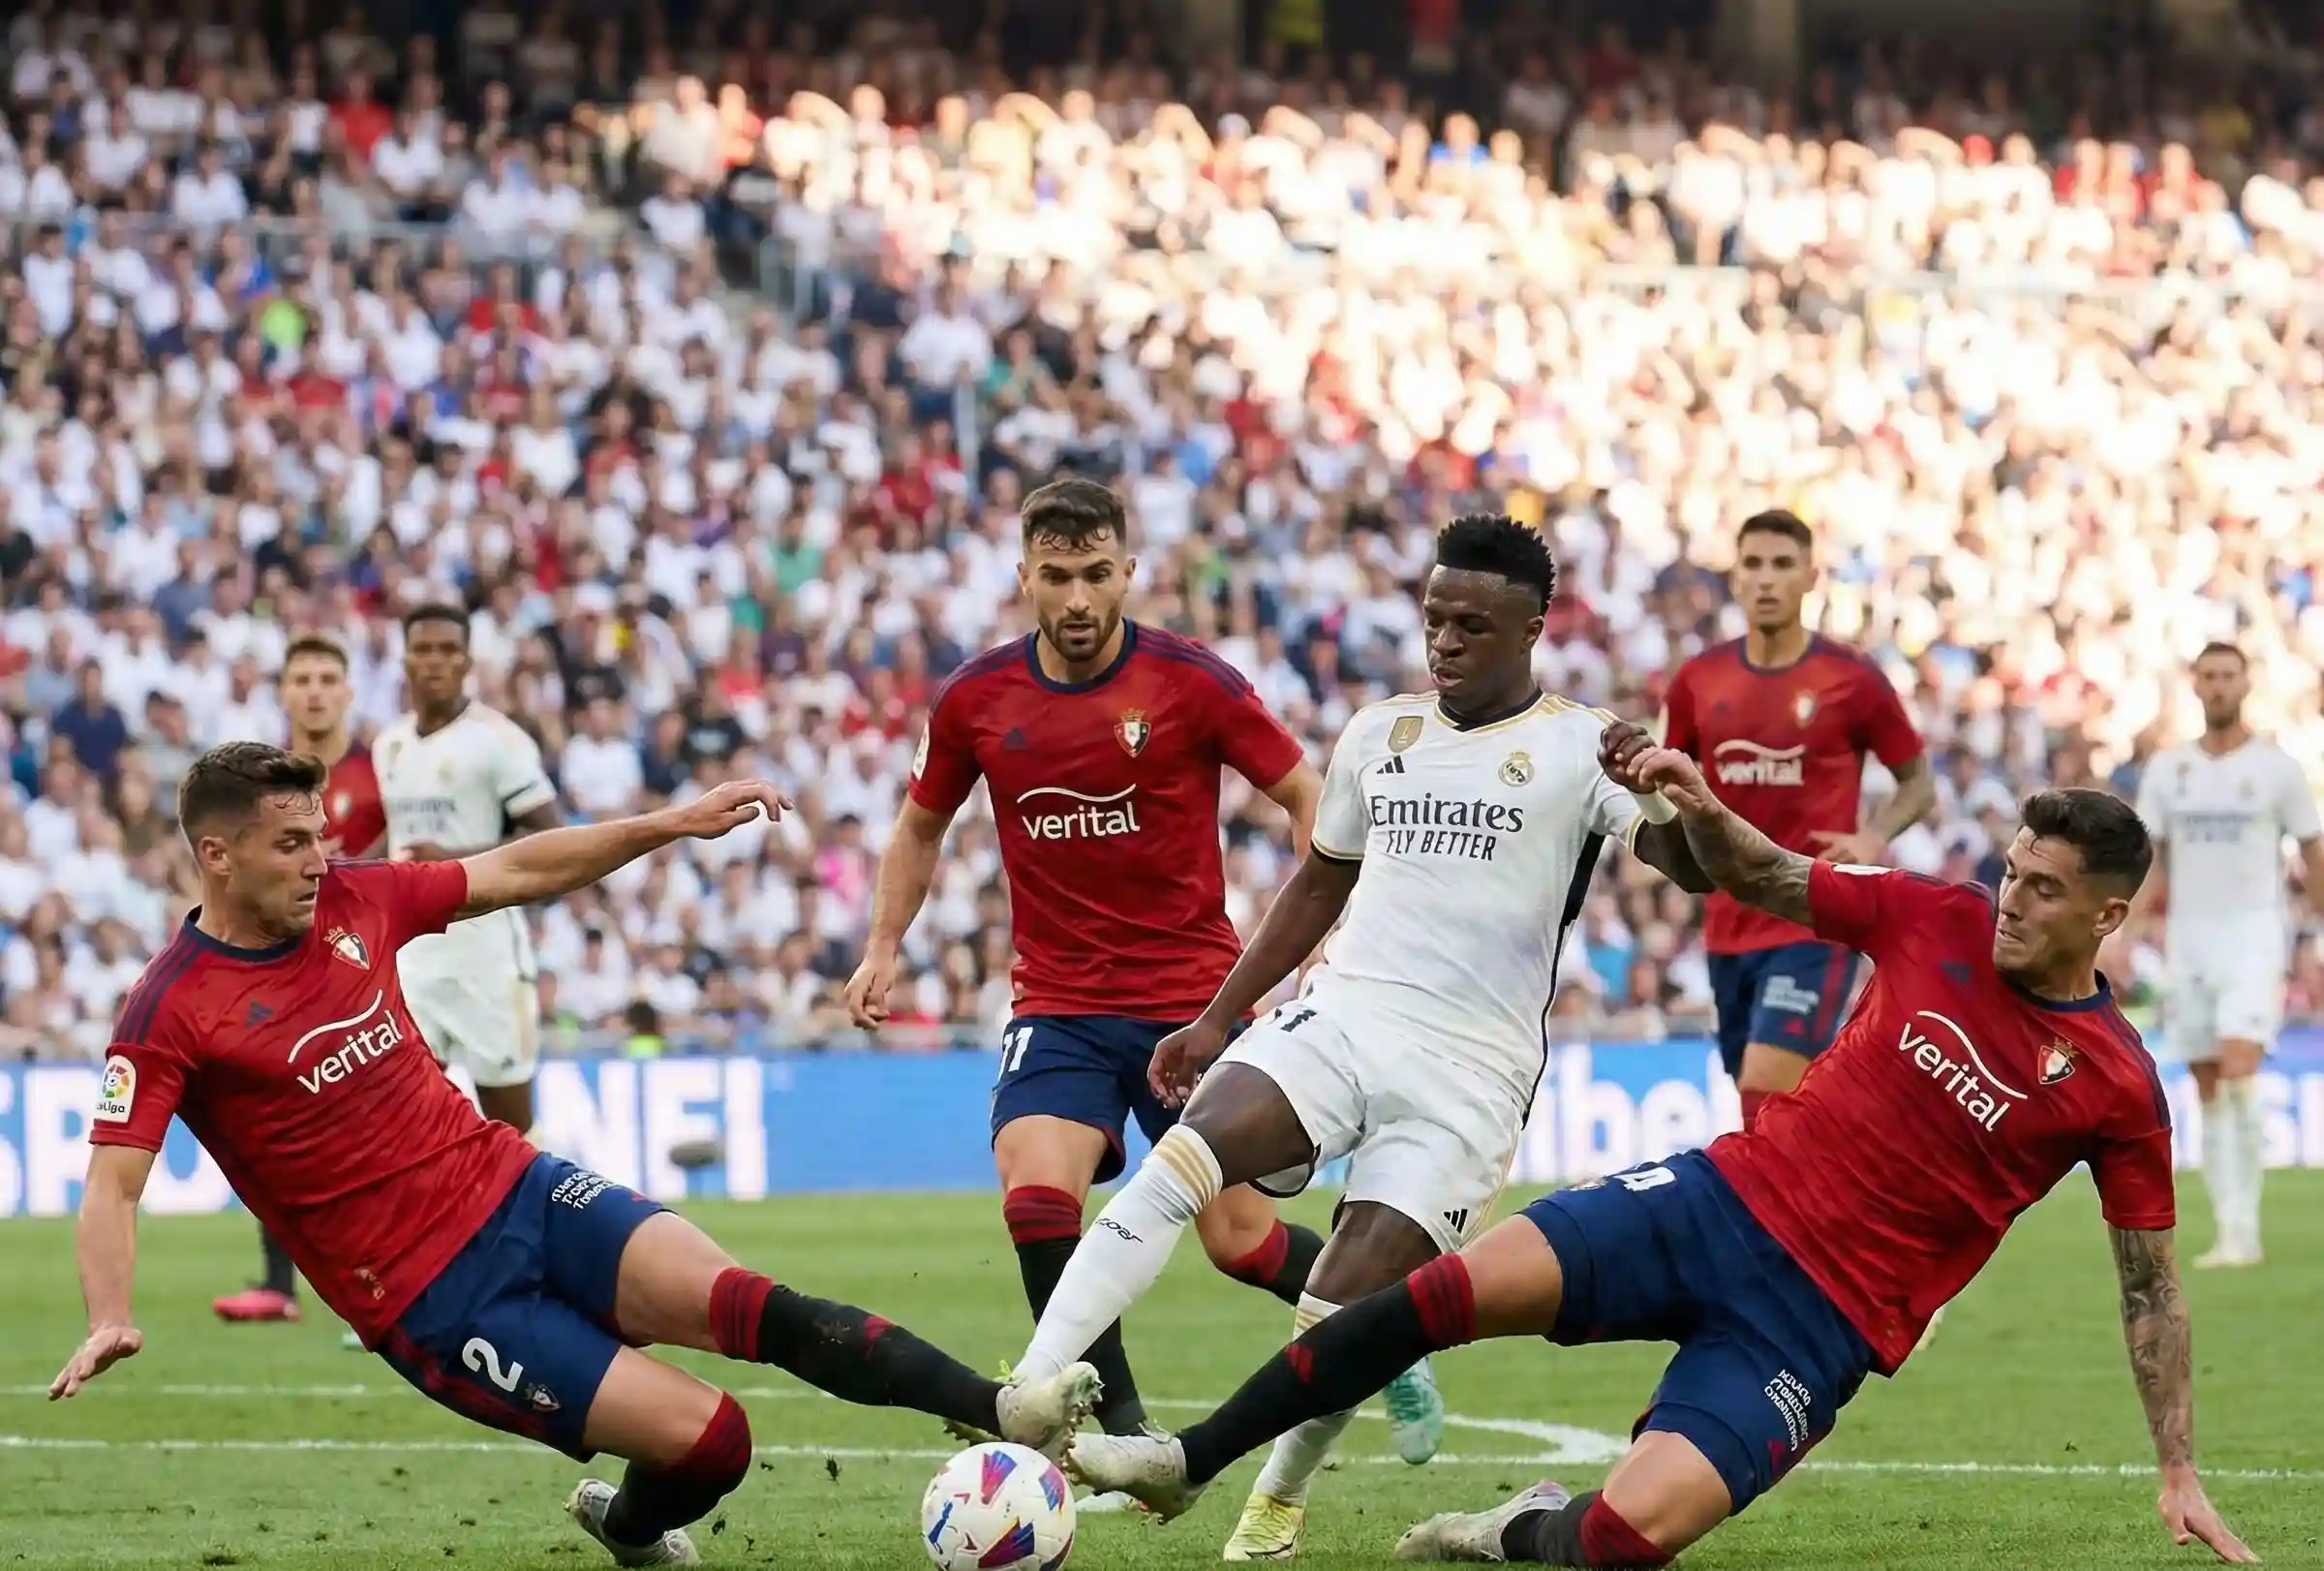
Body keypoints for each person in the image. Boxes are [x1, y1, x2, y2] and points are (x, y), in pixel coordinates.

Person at [1066, 730, 2258, 1569]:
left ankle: (1505, 1526)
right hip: (1717, 1200)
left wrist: (2179, 1466)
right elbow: (1765, 872)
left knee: (1624, 1537)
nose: (2011, 899)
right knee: (1439, 1293)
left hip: (1818, 1328)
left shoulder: (2116, 1084)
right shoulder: (1931, 912)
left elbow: (2149, 1285)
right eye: (2012, 870)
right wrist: (1696, 797)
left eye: (2045, 890)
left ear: (2107, 914)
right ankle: (1190, 1458)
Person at [52, 743, 1101, 1568]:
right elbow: (113, 1177)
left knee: (748, 1301)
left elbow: (516, 866)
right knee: (715, 1442)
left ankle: (1000, 1405)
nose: (317, 859)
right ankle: (632, 1529)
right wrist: (110, 1312)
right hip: (435, 1297)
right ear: (216, 854)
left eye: (319, 836)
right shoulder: (170, 1009)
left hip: (520, 1184)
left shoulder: (353, 901)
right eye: (289, 844)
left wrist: (667, 824)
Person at [1005, 514, 1712, 1560]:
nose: (1447, 639)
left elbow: (1690, 867)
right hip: (1345, 1015)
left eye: (1473, 622)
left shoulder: (1583, 743)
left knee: (1342, 1307)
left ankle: (1275, 1497)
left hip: (1473, 1071)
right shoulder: (1379, 734)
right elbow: (1320, 882)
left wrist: (1675, 794)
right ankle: (1032, 1391)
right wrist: (1213, 1017)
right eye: (1435, 617)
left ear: (1531, 627)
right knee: (1187, 1156)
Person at [844, 475, 1444, 1482]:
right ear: (1023, 575)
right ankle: (1112, 1417)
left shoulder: (1190, 679)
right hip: (1059, 1005)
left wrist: (1330, 931)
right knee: (1035, 1192)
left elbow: (1305, 793)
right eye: (1055, 576)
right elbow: (918, 824)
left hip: (1194, 1005)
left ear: (1128, 569)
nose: (1076, 599)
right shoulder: (977, 698)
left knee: (1243, 1242)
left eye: (1094, 574)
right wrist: (881, 946)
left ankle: (1387, 1333)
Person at [1659, 510, 1932, 1127]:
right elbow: (1668, 787)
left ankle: (1769, 1223)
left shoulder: (1851, 678)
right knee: (1768, 1110)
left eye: (1782, 565)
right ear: (1735, 578)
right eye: (1753, 564)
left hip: (1813, 912)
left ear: (1811, 577)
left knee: (1766, 1087)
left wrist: (1872, 835)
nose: (1766, 579)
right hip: (1728, 923)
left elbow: (1919, 784)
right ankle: (1844, 1195)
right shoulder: (1699, 681)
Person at [212, 634, 388, 1326]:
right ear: (282, 692)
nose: (314, 691)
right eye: (301, 679)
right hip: (283, 972)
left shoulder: (382, 773)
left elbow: (408, 867)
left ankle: (387, 1275)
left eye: (326, 678)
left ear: (348, 690)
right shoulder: (261, 788)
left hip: (368, 969)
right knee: (267, 1118)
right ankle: (279, 1284)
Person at [2132, 641, 2324, 1270]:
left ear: (2246, 685)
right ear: (2194, 684)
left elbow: (2312, 850)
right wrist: (2126, 930)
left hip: (2253, 934)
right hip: (2191, 936)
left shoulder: (2276, 768)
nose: (2218, 687)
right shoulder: (2169, 771)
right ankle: (2228, 1230)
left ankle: (2245, 1229)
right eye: (2208, 676)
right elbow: (2153, 860)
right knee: (2208, 1079)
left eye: (2228, 677)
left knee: (2241, 1068)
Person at [375, 603, 564, 1134]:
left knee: (511, 1129)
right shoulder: (387, 745)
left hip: (485, 956)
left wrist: (453, 861)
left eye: (447, 651)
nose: (434, 662)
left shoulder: (499, 742)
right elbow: (392, 839)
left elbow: (549, 835)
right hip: (412, 958)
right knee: (400, 1118)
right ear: (405, 660)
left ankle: (533, 1216)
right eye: (422, 650)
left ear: (466, 662)